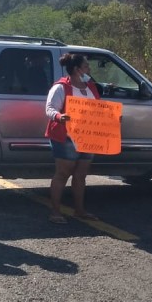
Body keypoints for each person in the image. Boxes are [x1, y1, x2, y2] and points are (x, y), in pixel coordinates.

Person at [44, 53, 101, 224]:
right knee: (62, 173)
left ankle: (79, 210)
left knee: (81, 175)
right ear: (76, 69)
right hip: (66, 137)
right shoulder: (61, 87)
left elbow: (99, 109)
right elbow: (49, 108)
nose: (89, 69)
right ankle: (55, 212)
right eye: (86, 66)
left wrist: (111, 119)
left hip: (88, 137)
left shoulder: (91, 86)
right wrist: (60, 117)